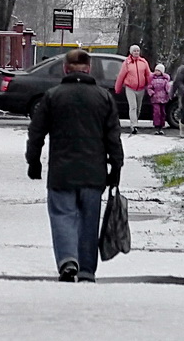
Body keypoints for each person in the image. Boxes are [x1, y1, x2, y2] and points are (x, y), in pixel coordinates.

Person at [26, 48, 124, 283]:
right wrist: (116, 166)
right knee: (89, 220)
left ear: (65, 68)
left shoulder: (52, 96)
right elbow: (113, 135)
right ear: (89, 69)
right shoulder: (104, 97)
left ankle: (68, 259)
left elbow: (36, 132)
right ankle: (87, 269)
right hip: (94, 172)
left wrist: (34, 161)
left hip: (61, 172)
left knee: (62, 215)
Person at [113, 44, 153, 135]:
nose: (136, 52)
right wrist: (117, 88)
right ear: (131, 52)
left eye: (137, 51)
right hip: (130, 88)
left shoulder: (143, 62)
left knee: (138, 108)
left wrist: (151, 86)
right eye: (134, 51)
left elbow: (148, 75)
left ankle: (135, 121)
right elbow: (121, 76)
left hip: (141, 88)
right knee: (133, 106)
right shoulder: (127, 63)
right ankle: (133, 125)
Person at [146, 61, 172, 135]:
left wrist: (169, 93)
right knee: (156, 112)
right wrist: (151, 93)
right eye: (156, 70)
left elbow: (168, 88)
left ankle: (161, 126)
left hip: (163, 98)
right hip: (155, 98)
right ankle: (156, 126)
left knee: (163, 113)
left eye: (158, 70)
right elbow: (149, 87)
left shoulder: (165, 80)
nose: (157, 72)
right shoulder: (152, 80)